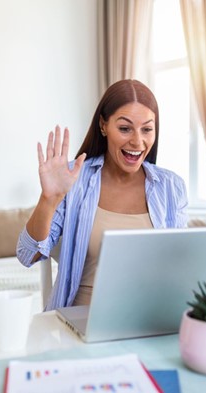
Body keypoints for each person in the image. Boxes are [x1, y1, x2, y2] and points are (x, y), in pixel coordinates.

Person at [16, 79, 189, 310]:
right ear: (103, 126)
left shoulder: (170, 187)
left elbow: (179, 266)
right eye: (125, 128)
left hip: (149, 320)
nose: (138, 141)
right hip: (81, 320)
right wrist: (49, 199)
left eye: (147, 129)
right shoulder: (74, 179)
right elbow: (27, 255)